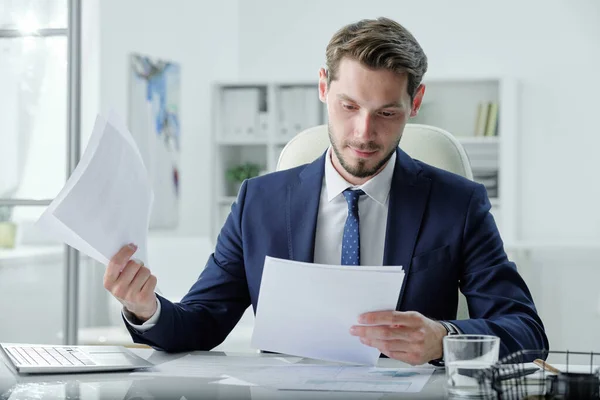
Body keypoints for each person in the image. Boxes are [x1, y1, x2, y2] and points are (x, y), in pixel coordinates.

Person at [103, 17, 548, 365]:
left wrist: (443, 338)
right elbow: (201, 322)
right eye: (348, 106)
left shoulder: (458, 204)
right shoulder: (259, 202)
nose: (364, 132)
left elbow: (526, 331)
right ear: (323, 87)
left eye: (387, 112)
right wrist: (147, 310)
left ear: (415, 102)